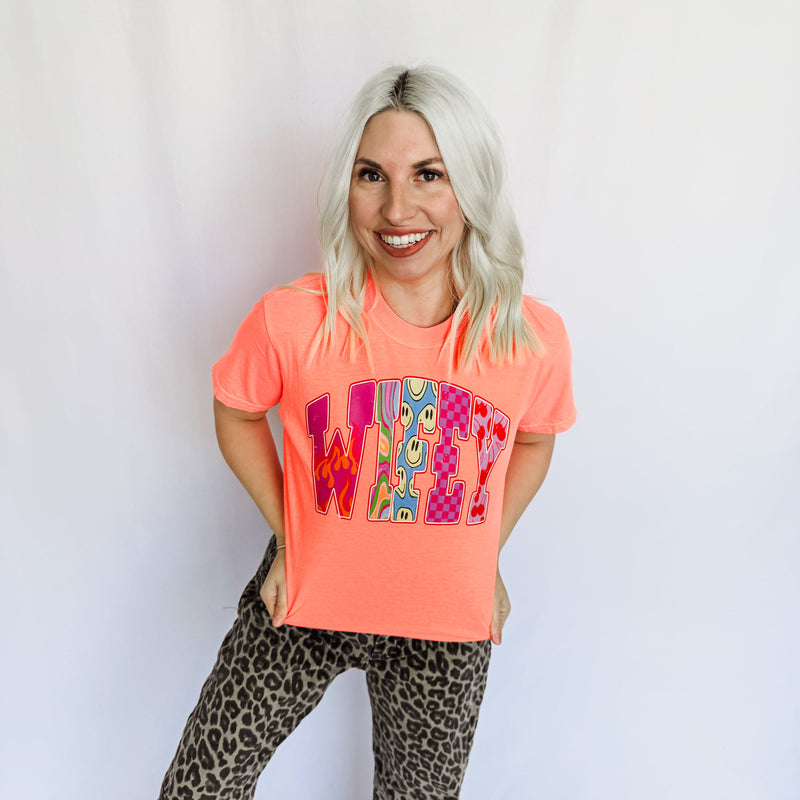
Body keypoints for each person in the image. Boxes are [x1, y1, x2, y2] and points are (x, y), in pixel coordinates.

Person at [159, 64, 576, 800]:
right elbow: (237, 409)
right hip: (301, 604)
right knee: (200, 788)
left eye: (428, 175)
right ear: (345, 188)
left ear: (471, 184)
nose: (397, 208)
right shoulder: (293, 320)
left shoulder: (528, 338)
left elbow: (536, 440)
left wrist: (484, 551)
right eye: (371, 175)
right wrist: (289, 534)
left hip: (444, 629)